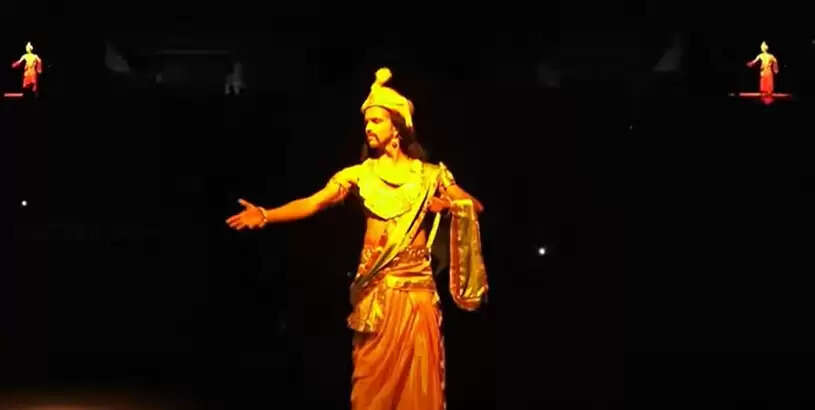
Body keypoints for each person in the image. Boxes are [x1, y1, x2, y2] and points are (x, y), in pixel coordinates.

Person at [226, 67, 488, 409]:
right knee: (369, 384)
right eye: (366, 122)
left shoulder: (431, 175)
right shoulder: (358, 175)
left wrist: (449, 205)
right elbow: (314, 202)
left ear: (397, 127)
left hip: (417, 293)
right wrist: (266, 214)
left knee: (419, 381)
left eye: (376, 121)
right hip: (374, 291)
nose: (368, 127)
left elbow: (474, 206)